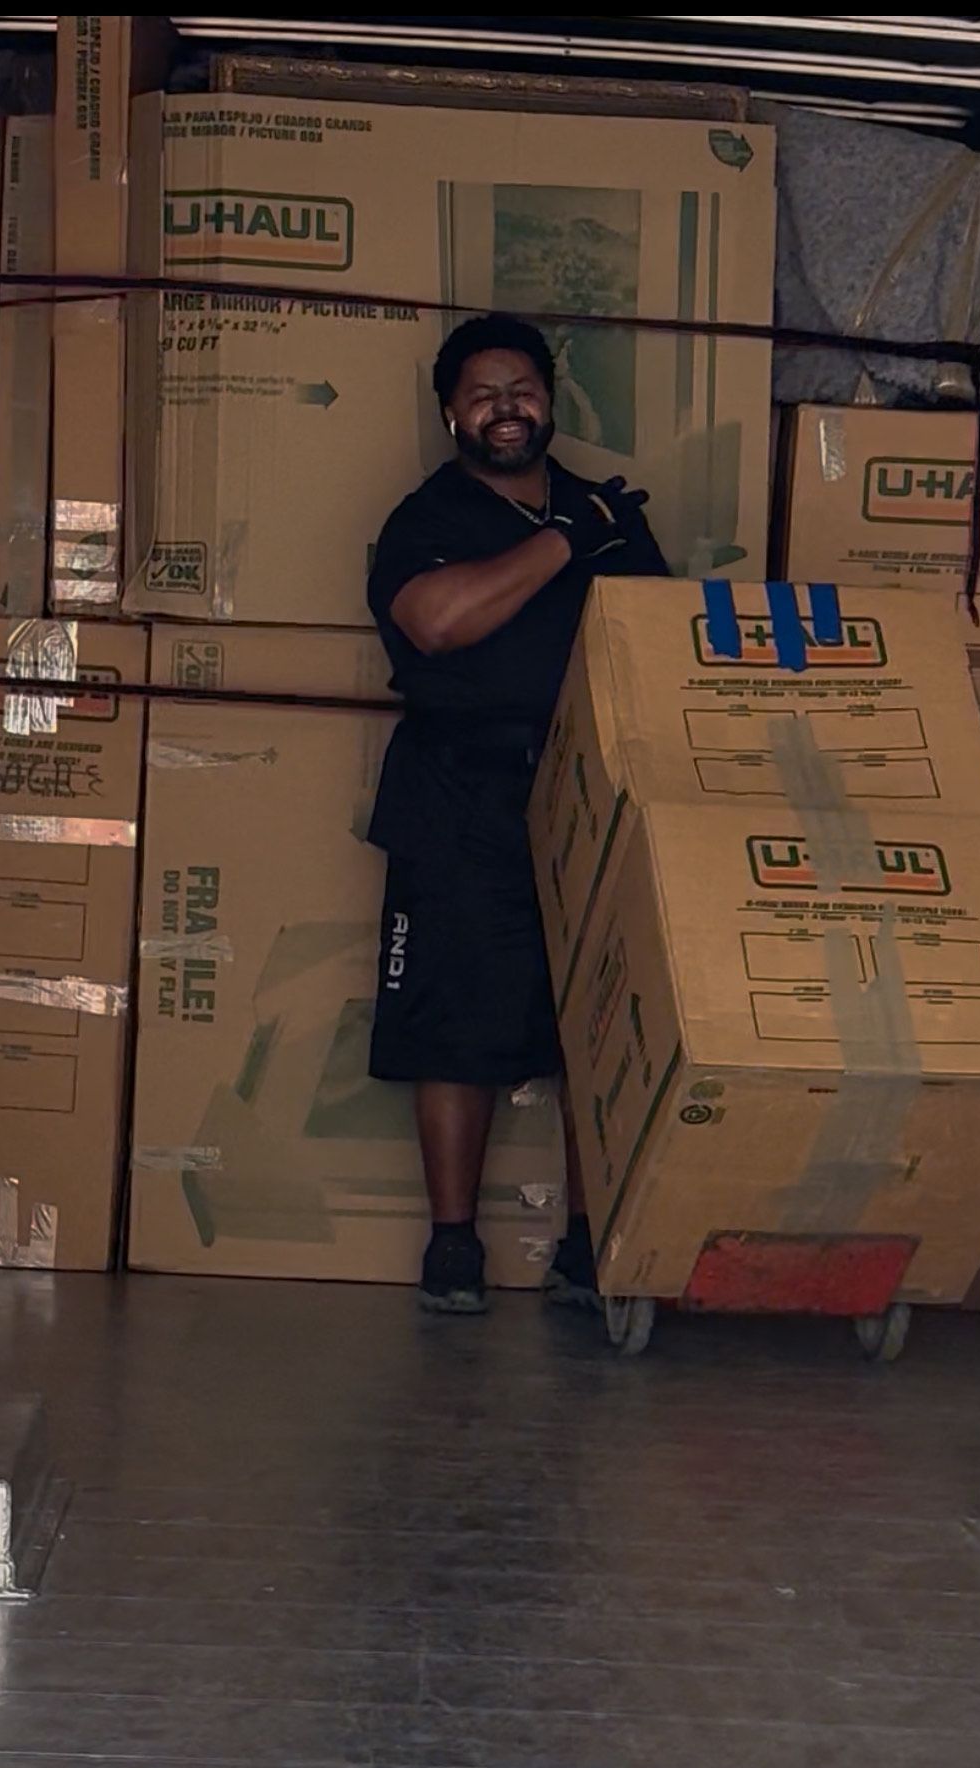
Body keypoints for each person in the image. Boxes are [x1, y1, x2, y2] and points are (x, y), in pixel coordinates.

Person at [366, 312, 668, 1314]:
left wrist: (587, 534)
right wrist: (560, 547)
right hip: (459, 793)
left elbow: (660, 643)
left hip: (591, 792)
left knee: (596, 1022)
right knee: (454, 1023)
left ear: (549, 398)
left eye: (523, 388)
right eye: (484, 392)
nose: (507, 407)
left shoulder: (606, 512)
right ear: (451, 410)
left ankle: (591, 1245)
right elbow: (438, 623)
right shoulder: (429, 516)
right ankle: (452, 1246)